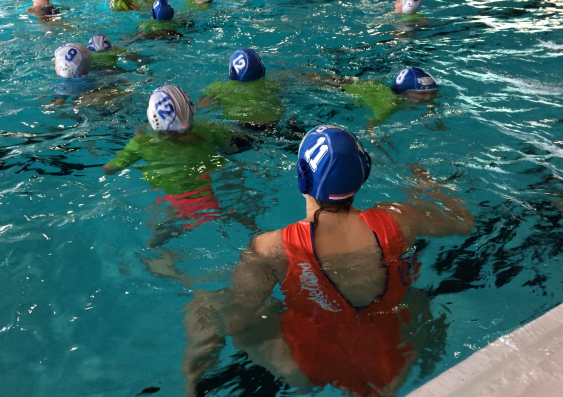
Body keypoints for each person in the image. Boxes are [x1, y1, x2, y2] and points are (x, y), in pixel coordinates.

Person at [181, 125, 473, 396]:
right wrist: (427, 185)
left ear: (302, 176)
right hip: (389, 365)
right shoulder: (399, 219)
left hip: (307, 366)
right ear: (363, 172)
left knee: (208, 303)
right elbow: (463, 222)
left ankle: (192, 382)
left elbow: (235, 321)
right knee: (416, 298)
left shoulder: (272, 247)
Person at [102, 85, 249, 239]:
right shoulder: (209, 129)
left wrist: (135, 142)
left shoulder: (141, 143)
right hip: (212, 196)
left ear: (152, 116)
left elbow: (109, 169)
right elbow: (231, 149)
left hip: (177, 205)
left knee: (152, 241)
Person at [198, 49, 284, 127]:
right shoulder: (273, 83)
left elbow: (201, 106)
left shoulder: (219, 87)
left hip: (242, 126)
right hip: (272, 123)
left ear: (232, 71)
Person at [342, 67, 439, 126]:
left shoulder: (430, 97)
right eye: (422, 94)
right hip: (342, 87)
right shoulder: (388, 105)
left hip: (371, 85)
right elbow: (370, 127)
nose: (428, 98)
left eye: (432, 93)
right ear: (404, 93)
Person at [52, 43, 130, 105]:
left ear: (63, 68)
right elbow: (118, 80)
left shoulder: (63, 86)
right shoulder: (94, 78)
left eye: (55, 63)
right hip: (101, 97)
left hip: (87, 103)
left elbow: (59, 103)